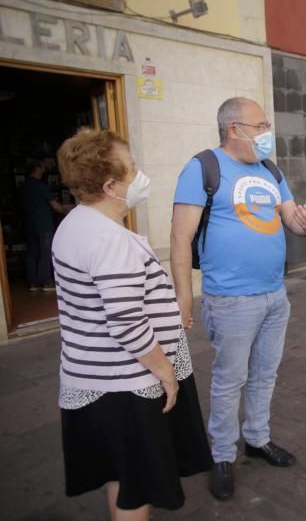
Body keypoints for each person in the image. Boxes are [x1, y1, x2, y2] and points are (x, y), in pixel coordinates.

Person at [53, 129, 212, 521]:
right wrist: (167, 374)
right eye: (133, 170)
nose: (140, 177)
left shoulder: (75, 224)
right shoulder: (110, 239)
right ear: (110, 185)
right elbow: (127, 322)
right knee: (137, 482)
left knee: (122, 474)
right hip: (125, 386)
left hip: (93, 379)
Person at [170, 97, 306, 501]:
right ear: (234, 129)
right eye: (260, 126)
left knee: (265, 374)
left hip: (275, 294)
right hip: (231, 300)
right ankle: (221, 455)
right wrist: (184, 298)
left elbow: (292, 220)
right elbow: (180, 238)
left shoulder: (270, 169)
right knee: (229, 379)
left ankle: (257, 438)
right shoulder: (202, 168)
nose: (267, 133)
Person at [20, 160, 72, 291]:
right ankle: (46, 282)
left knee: (32, 252)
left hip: (29, 224)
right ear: (37, 168)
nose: (45, 168)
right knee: (45, 252)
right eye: (42, 166)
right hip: (43, 224)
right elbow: (56, 207)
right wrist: (67, 208)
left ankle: (33, 283)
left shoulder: (24, 186)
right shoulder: (40, 186)